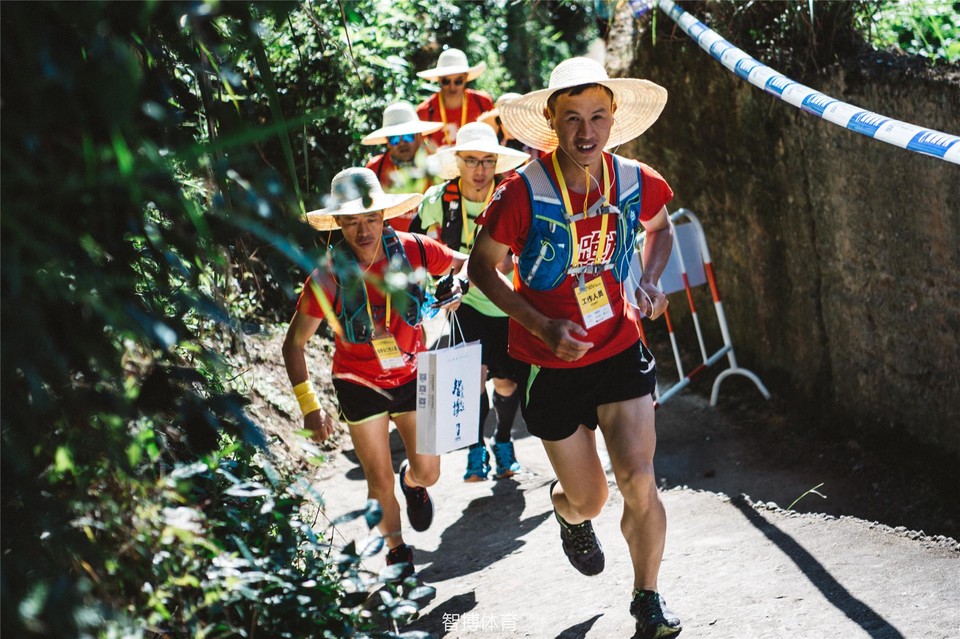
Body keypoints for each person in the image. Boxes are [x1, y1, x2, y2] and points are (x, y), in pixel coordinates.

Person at [467, 57, 682, 638]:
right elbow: (481, 271)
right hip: (549, 365)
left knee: (640, 479)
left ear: (614, 119)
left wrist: (650, 279)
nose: (585, 133)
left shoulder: (636, 180)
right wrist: (539, 326)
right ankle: (567, 511)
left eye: (596, 117)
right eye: (571, 119)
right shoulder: (522, 192)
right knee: (591, 499)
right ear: (551, 121)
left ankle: (648, 600)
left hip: (617, 348)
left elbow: (660, 229)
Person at [283, 167, 469, 580]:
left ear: (384, 216)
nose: (363, 230)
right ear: (338, 224)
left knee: (430, 470)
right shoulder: (327, 278)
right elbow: (293, 345)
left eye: (370, 218)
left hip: (411, 375)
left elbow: (463, 263)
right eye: (351, 222)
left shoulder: (415, 250)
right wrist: (310, 408)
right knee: (377, 478)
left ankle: (414, 483)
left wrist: (456, 286)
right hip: (359, 383)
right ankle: (396, 551)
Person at [411, 122, 530, 482]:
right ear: (458, 162)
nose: (480, 170)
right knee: (471, 376)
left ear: (497, 163)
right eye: (472, 161)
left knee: (507, 383)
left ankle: (504, 441)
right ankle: (474, 450)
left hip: (506, 301)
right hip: (466, 306)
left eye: (488, 162)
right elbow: (414, 248)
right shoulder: (439, 200)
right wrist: (433, 286)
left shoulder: (510, 196)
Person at [362, 101, 444, 232]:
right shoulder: (374, 169)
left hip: (436, 245)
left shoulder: (437, 163)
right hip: (393, 245)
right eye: (394, 139)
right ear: (387, 142)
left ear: (419, 136)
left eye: (407, 136)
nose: (401, 143)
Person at [415, 48, 494, 151]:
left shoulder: (482, 102)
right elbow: (419, 150)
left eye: (458, 81)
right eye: (446, 81)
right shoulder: (424, 111)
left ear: (466, 78)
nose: (452, 87)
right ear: (439, 79)